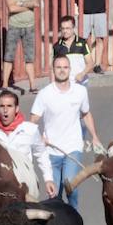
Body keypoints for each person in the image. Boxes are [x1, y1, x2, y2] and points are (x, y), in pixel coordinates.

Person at [32, 54, 102, 207]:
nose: (62, 70)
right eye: (58, 67)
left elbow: (86, 114)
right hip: (51, 150)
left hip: (72, 148)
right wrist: (39, 138)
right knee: (54, 194)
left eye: (65, 67)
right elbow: (32, 122)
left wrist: (94, 136)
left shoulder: (80, 92)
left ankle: (74, 221)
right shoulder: (45, 94)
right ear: (53, 70)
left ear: (70, 69)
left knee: (71, 187)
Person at [0, 89, 57, 198]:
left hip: (25, 187)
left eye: (9, 106)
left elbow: (41, 154)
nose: (5, 110)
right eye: (2, 106)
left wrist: (48, 179)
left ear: (16, 109)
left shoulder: (30, 130)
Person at [2, 0, 38, 93]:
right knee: (9, 56)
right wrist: (27, 6)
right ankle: (5, 85)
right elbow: (11, 8)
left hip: (29, 27)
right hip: (14, 26)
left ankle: (33, 85)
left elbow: (36, 3)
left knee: (29, 57)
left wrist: (20, 4)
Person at [52, 14, 93, 84]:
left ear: (73, 28)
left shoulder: (82, 43)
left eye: (67, 28)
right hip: (64, 84)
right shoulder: (57, 46)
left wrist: (82, 74)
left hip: (81, 83)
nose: (65, 31)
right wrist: (53, 84)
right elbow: (53, 68)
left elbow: (90, 63)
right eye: (63, 28)